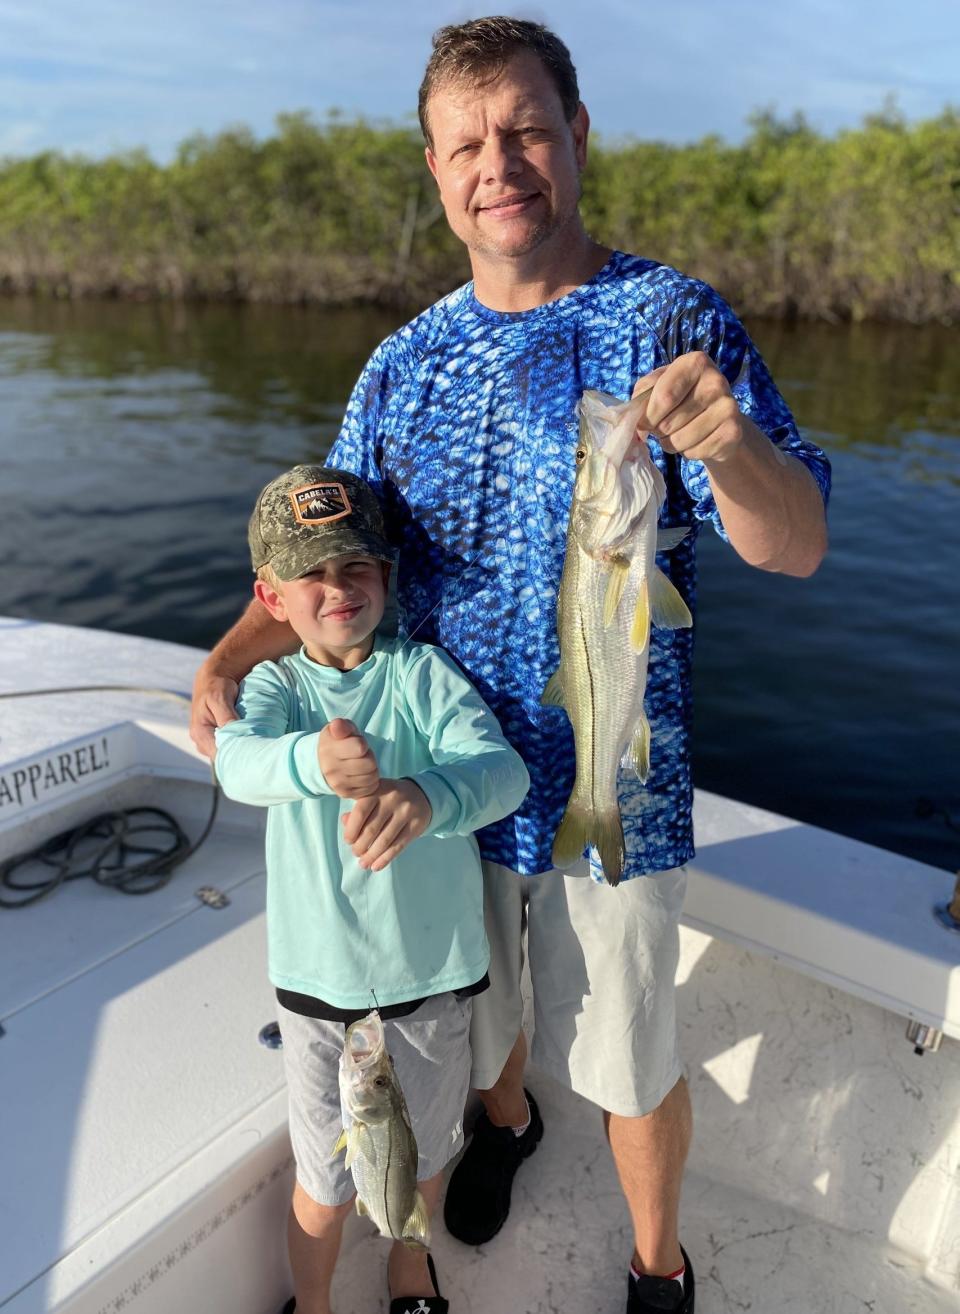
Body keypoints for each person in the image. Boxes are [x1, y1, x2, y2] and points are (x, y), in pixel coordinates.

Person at [192, 18, 831, 1314]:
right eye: (468, 141)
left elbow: (796, 545)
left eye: (528, 127)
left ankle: (659, 1259)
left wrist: (730, 449)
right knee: (482, 1021)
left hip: (619, 784)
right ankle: (506, 1122)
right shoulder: (400, 362)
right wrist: (227, 657)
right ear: (435, 171)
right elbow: (328, 571)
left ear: (578, 136)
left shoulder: (671, 318)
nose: (502, 162)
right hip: (447, 784)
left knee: (634, 1052)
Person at [213, 463, 530, 1314]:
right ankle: (312, 1302)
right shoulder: (277, 690)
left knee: (423, 1156)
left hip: (429, 979)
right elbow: (236, 763)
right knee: (323, 1180)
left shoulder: (423, 674)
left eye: (355, 566)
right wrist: (309, 761)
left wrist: (429, 797)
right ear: (271, 598)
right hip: (320, 991)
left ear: (386, 576)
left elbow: (502, 773)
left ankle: (408, 1266)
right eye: (309, 572)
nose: (336, 587)